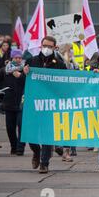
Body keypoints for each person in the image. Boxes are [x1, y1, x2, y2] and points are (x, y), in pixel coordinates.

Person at [27, 36, 67, 174]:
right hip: (33, 103)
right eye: (44, 45)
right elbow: (21, 78)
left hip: (50, 104)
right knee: (30, 133)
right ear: (40, 45)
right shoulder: (32, 61)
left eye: (50, 46)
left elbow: (65, 83)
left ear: (55, 48)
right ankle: (36, 152)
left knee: (47, 134)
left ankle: (44, 163)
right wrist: (23, 73)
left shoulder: (59, 64)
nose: (46, 49)